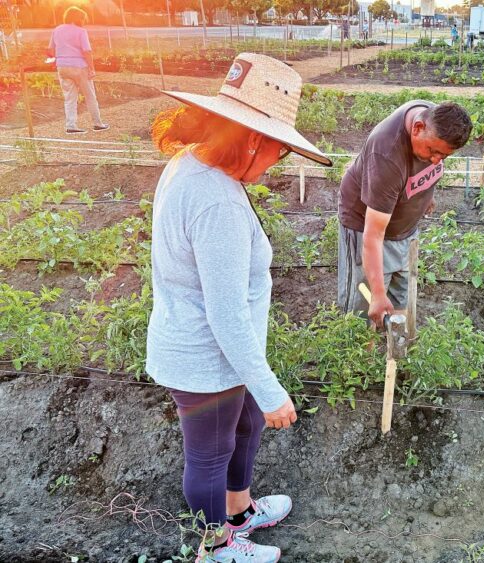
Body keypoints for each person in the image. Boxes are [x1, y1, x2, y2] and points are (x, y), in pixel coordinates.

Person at [146, 53, 331, 563]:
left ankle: (240, 511)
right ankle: (217, 548)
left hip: (220, 352)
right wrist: (273, 391)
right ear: (253, 139)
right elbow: (225, 312)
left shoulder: (193, 165)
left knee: (243, 425)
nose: (277, 164)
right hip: (207, 356)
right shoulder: (218, 205)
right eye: (278, 151)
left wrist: (256, 385)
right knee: (209, 454)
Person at [337, 100, 473, 327]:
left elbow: (428, 169)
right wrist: (378, 294)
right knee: (365, 310)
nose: (436, 160)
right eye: (433, 151)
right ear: (417, 128)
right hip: (366, 227)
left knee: (401, 300)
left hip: (404, 230)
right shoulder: (386, 155)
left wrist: (425, 197)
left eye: (444, 156)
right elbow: (373, 236)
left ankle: (397, 350)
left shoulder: (435, 119)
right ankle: (362, 356)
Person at [46, 6, 109, 134]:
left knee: (69, 98)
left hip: (62, 66)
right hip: (79, 67)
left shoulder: (57, 30)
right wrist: (92, 68)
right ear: (79, 18)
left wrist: (57, 60)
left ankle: (71, 126)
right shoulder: (81, 31)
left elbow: (50, 50)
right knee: (90, 96)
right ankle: (98, 123)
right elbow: (87, 51)